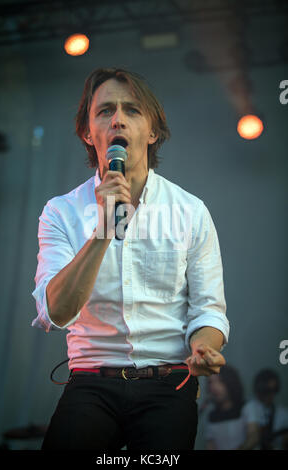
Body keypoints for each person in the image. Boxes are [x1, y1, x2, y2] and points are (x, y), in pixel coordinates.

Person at [31, 67, 230, 451]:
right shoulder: (60, 212)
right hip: (91, 382)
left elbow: (208, 310)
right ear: (88, 133)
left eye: (131, 110)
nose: (118, 118)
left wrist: (204, 348)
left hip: (168, 382)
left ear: (152, 131)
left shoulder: (190, 211)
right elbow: (54, 312)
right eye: (105, 111)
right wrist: (104, 228)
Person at [204, 365, 250, 450]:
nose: (214, 387)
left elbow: (253, 438)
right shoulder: (211, 416)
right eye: (210, 382)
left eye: (220, 381)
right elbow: (210, 446)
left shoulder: (247, 408)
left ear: (230, 382)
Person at [241, 369, 288, 450]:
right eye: (266, 390)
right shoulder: (249, 407)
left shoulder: (283, 413)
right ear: (258, 389)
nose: (270, 394)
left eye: (274, 389)